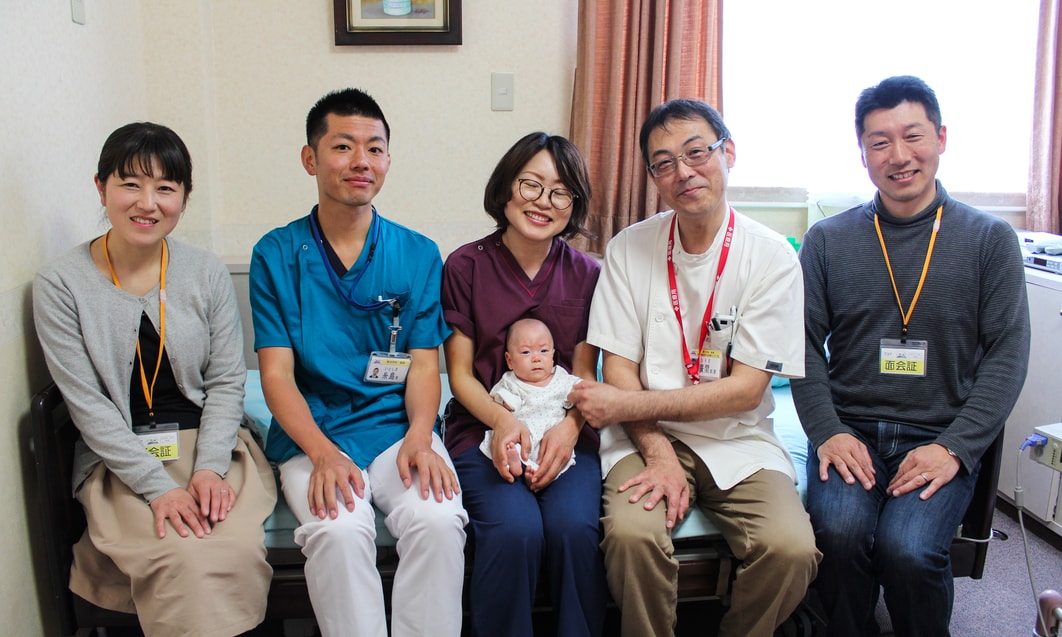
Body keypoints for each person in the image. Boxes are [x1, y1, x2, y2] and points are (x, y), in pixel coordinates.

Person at [568, 99, 820, 637]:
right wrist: (656, 451)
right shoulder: (628, 248)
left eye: (696, 152)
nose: (683, 172)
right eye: (664, 162)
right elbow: (618, 369)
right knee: (633, 538)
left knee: (792, 549)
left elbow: (746, 391)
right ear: (653, 177)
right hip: (643, 437)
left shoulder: (771, 257)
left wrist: (627, 405)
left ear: (728, 152)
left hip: (736, 438)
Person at [790, 75, 1031, 636]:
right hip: (852, 431)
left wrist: (955, 447)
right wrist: (826, 429)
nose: (899, 156)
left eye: (913, 136)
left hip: (938, 434)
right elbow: (797, 342)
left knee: (909, 550)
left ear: (941, 138)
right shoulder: (828, 241)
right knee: (840, 538)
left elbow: (1007, 354)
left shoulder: (989, 240)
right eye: (880, 142)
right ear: (863, 154)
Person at [32, 122, 277, 637]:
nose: (148, 202)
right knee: (178, 551)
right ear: (101, 188)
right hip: (121, 456)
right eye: (130, 184)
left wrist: (209, 470)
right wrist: (155, 489)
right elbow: (86, 404)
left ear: (184, 200)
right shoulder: (61, 283)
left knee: (230, 547)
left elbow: (228, 380)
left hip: (210, 446)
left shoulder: (204, 272)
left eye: (165, 188)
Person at [248, 88, 467, 637]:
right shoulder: (275, 254)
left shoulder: (417, 253)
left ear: (388, 159)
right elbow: (275, 375)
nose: (360, 162)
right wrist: (321, 454)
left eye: (374, 148)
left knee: (439, 520)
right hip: (314, 432)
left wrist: (421, 433)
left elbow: (423, 365)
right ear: (311, 159)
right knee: (339, 531)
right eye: (343, 146)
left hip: (396, 427)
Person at [442, 132, 607, 637]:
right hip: (485, 429)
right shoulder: (465, 266)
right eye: (531, 185)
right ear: (506, 188)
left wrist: (570, 428)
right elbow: (461, 375)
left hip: (567, 434)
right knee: (514, 529)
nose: (543, 202)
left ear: (574, 204)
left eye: (561, 193)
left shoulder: (588, 273)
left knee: (574, 528)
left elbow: (583, 376)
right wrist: (504, 421)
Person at [480, 317, 583, 478]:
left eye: (543, 351)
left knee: (555, 458)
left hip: (553, 436)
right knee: (512, 445)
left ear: (553, 354)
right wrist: (507, 404)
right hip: (522, 433)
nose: (536, 358)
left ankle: (535, 471)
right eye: (526, 352)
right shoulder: (511, 381)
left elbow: (580, 390)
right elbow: (500, 397)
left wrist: (579, 396)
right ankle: (515, 462)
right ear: (510, 360)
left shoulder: (561, 378)